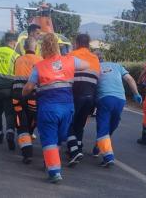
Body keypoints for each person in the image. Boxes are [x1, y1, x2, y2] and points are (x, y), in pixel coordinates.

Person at [22, 33, 89, 183]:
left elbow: (29, 87)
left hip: (48, 108)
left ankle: (54, 172)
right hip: (67, 108)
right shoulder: (69, 60)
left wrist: (24, 92)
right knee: (59, 137)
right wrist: (66, 58)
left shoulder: (39, 66)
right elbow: (86, 65)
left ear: (43, 48)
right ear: (58, 47)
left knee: (49, 139)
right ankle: (50, 160)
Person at [94, 51, 142, 167]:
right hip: (120, 99)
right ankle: (98, 147)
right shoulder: (117, 66)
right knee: (112, 124)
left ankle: (108, 156)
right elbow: (130, 79)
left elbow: (92, 84)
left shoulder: (94, 67)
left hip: (105, 98)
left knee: (103, 126)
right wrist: (136, 94)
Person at [66, 34, 101, 166]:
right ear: (88, 44)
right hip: (90, 96)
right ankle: (78, 148)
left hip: (76, 94)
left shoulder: (71, 55)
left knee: (68, 123)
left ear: (76, 43)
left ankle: (74, 150)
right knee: (80, 124)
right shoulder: (95, 58)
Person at [12, 38, 42, 164]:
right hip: (33, 96)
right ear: (36, 48)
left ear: (24, 48)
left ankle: (27, 153)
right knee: (32, 120)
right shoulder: (41, 61)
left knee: (21, 123)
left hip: (17, 95)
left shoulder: (18, 59)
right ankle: (29, 135)